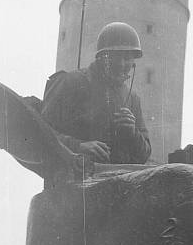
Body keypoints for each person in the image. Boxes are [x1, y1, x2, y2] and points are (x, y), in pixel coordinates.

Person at [41, 22, 151, 165]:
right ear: (102, 57)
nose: (122, 64)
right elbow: (40, 132)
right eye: (116, 57)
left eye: (128, 58)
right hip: (75, 179)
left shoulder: (132, 99)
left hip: (119, 182)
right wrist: (78, 146)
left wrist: (133, 133)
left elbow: (144, 155)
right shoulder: (72, 82)